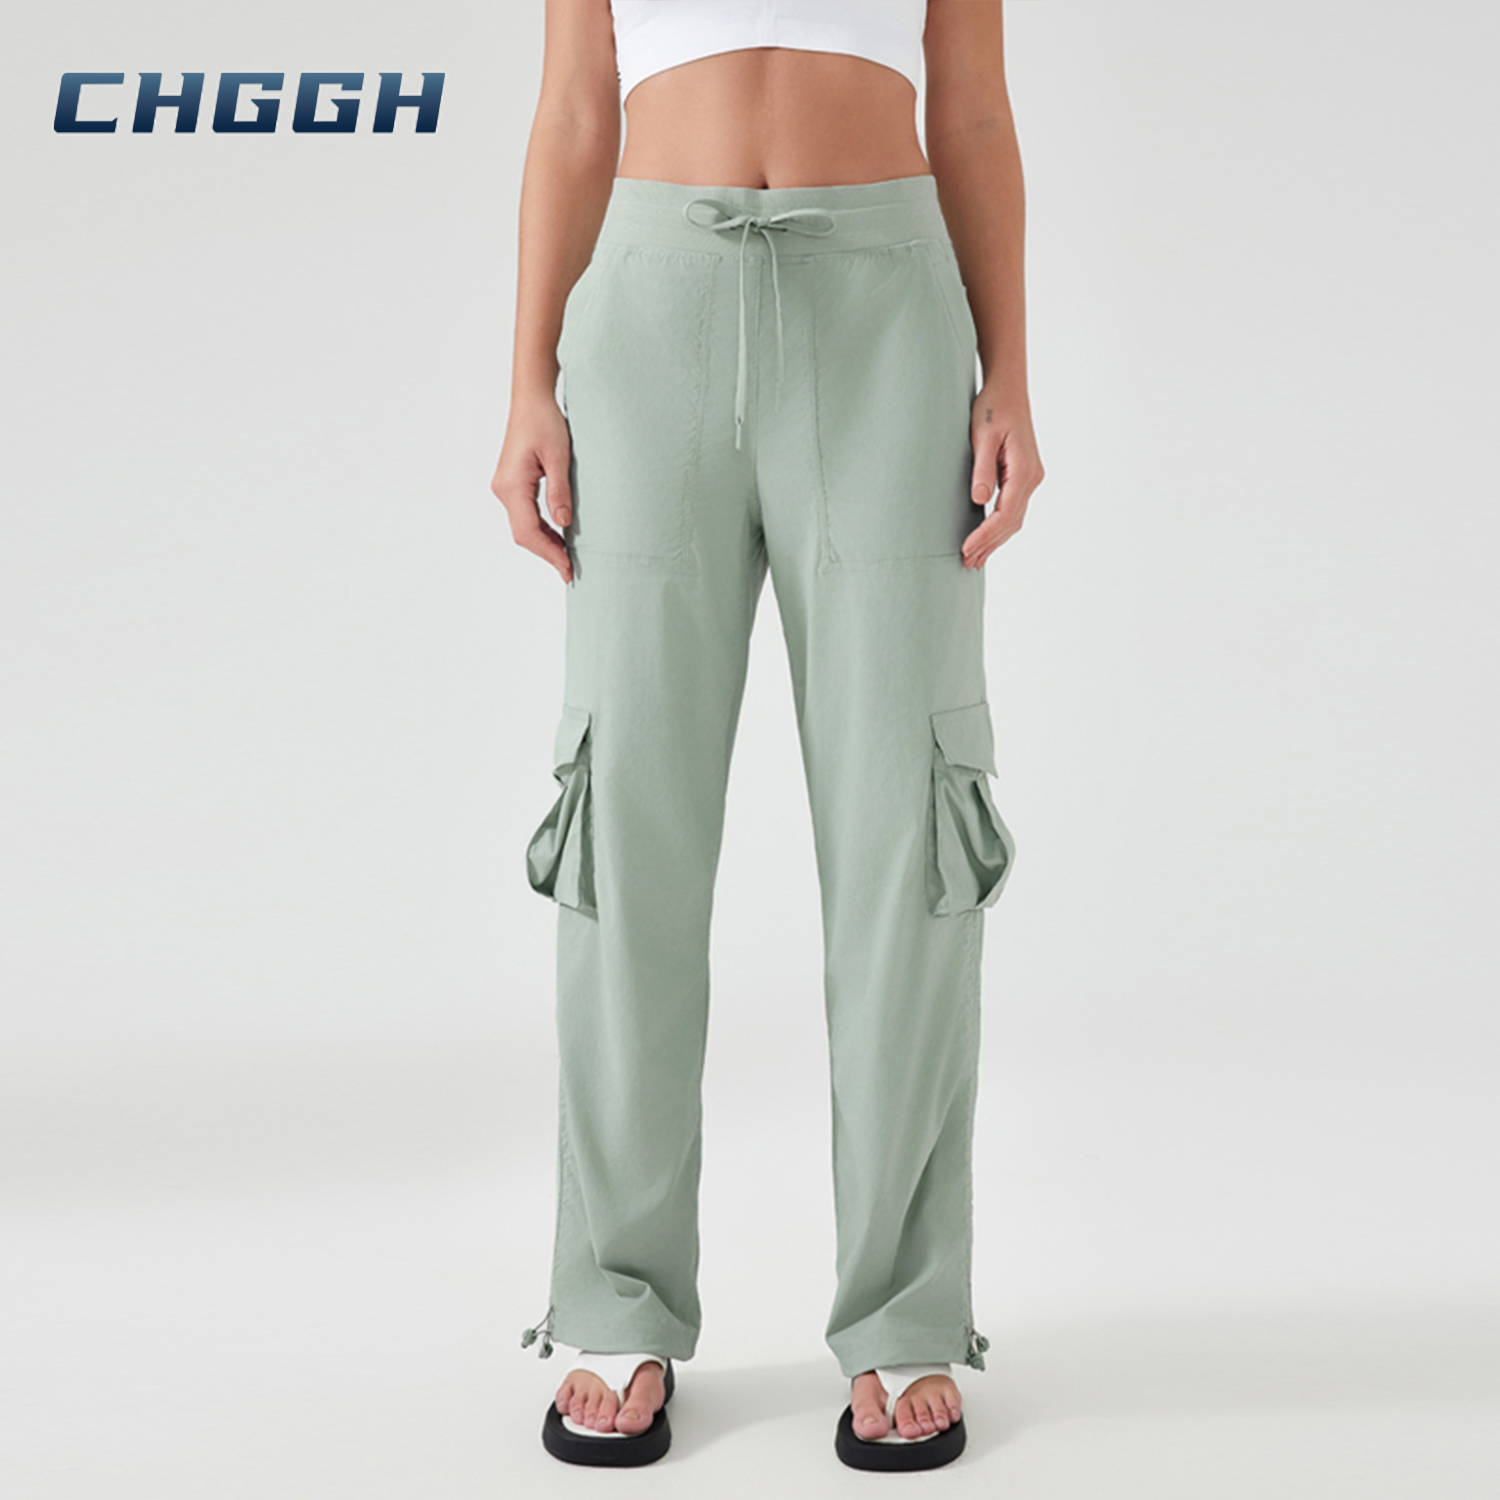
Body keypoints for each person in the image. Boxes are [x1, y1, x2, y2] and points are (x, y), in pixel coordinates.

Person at [491, 0, 1043, 1472]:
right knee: (626, 820)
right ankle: (615, 1295)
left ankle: (905, 1308)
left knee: (908, 829)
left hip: (888, 315)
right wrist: (530, 378)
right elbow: (577, 108)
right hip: (650, 310)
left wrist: (1009, 370)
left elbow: (970, 107)